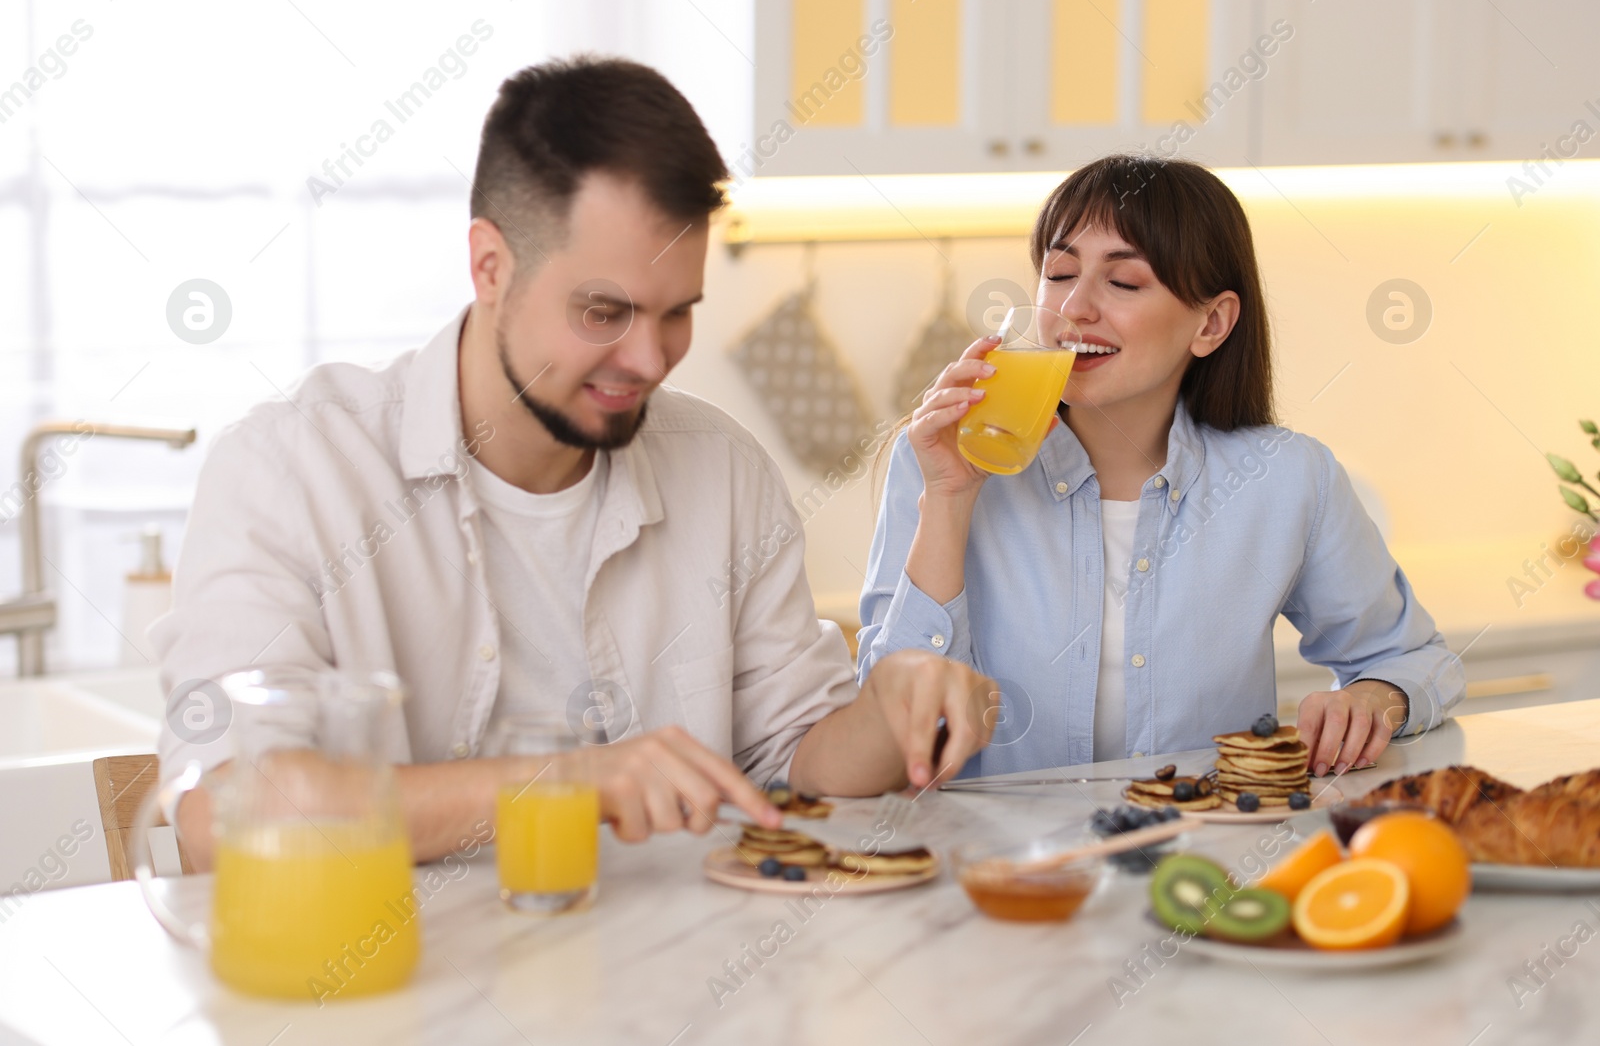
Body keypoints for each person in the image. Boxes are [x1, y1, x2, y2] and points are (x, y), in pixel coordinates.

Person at [155, 56, 996, 867]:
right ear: (490, 265)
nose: (650, 357)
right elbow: (223, 811)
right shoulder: (290, 468)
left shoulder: (724, 471)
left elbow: (797, 757)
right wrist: (569, 783)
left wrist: (887, 711)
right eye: (604, 311)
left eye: (678, 312)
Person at [857, 155, 1464, 779]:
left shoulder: (1287, 480)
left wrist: (1374, 698)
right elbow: (888, 723)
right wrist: (950, 499)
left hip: (1204, 862)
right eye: (1060, 273)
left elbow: (1416, 660)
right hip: (1003, 868)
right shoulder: (942, 464)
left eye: (1123, 283)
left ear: (1211, 323)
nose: (1076, 309)